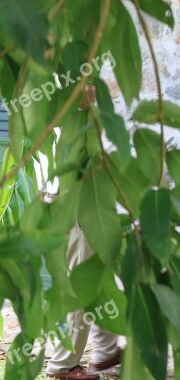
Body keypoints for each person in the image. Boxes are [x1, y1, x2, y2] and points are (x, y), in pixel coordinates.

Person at [45, 85, 123, 380]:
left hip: (85, 206)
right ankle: (62, 365)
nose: (94, 90)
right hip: (75, 207)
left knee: (100, 276)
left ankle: (105, 350)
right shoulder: (65, 122)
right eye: (86, 86)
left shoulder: (78, 119)